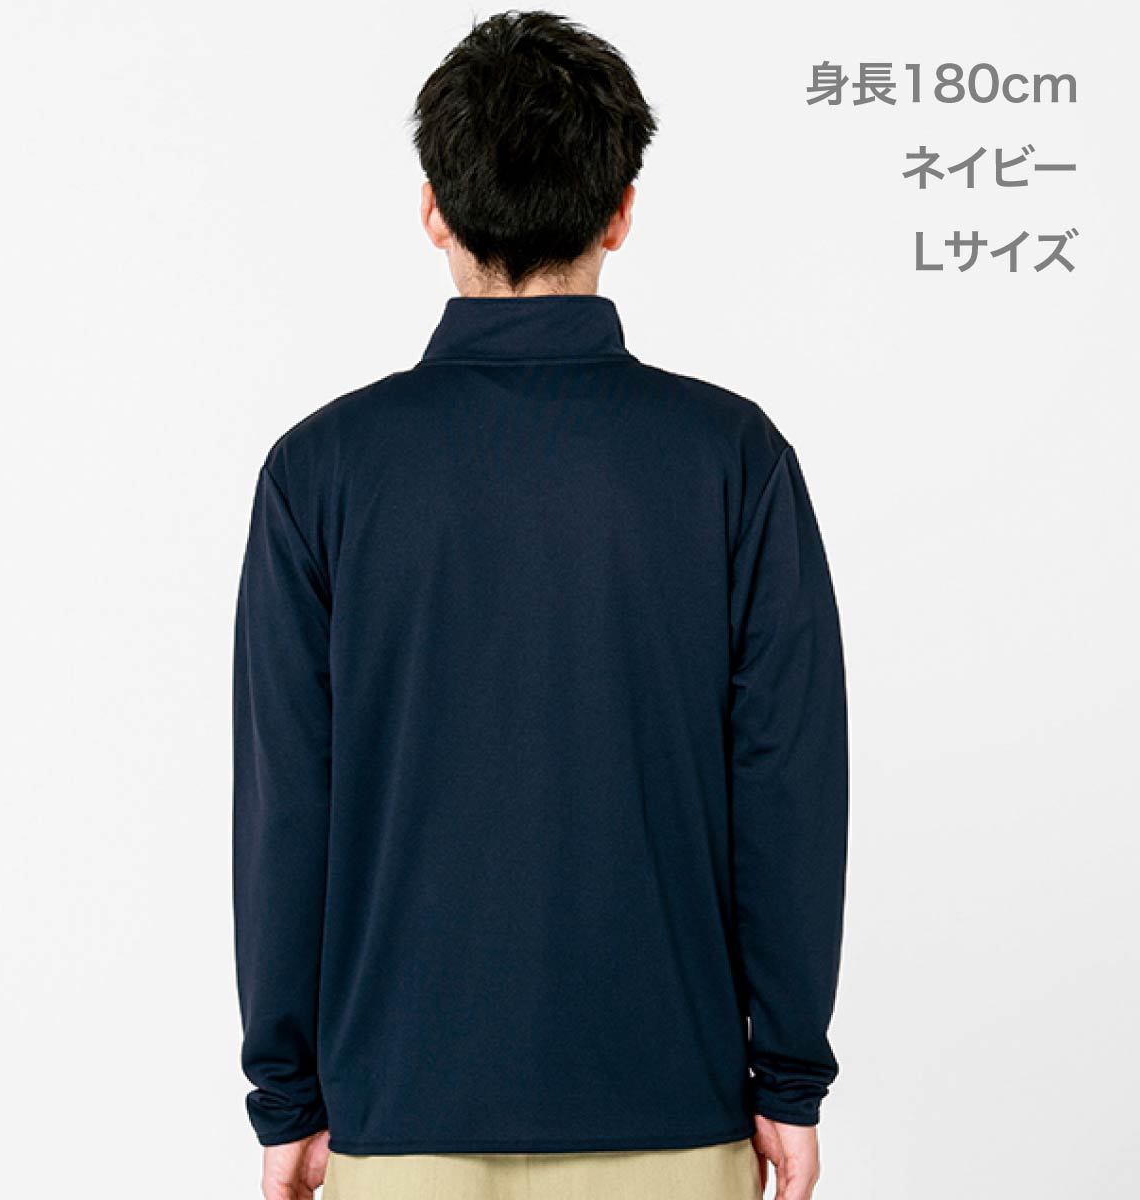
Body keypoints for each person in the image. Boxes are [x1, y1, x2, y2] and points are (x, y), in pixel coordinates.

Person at [232, 10, 848, 1200]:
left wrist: (288, 1096)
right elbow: (787, 787)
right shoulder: (731, 459)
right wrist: (787, 1078)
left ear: (434, 211)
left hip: (396, 1114)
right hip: (671, 1112)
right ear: (621, 211)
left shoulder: (320, 471)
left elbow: (286, 807)